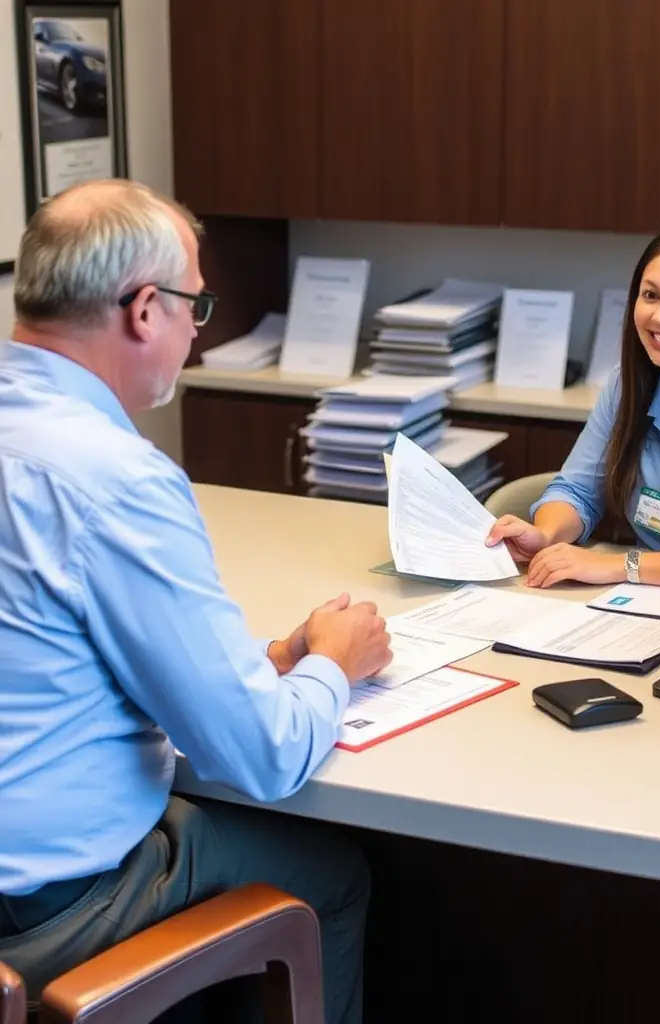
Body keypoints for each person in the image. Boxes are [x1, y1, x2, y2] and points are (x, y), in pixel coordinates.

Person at [0, 178, 393, 1022]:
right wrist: (332, 662)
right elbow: (262, 755)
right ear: (145, 309)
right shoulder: (114, 480)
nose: (194, 330)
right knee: (335, 877)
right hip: (41, 914)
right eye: (196, 305)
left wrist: (264, 661)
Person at [486, 220, 660, 589]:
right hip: (637, 610)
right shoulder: (628, 384)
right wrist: (546, 534)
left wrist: (620, 565)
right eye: (650, 295)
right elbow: (577, 490)